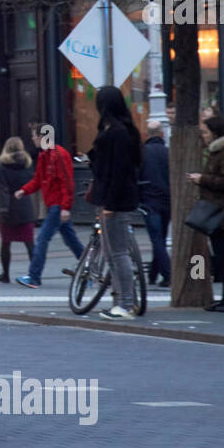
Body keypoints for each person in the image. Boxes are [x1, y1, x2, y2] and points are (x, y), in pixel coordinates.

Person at [87, 87, 142, 320]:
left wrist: (109, 203)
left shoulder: (117, 133)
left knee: (117, 253)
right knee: (114, 253)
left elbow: (117, 171)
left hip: (114, 201)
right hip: (115, 198)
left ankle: (126, 303)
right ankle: (123, 301)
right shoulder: (124, 131)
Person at [187, 114, 224, 312]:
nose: (203, 136)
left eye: (205, 132)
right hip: (217, 207)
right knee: (221, 255)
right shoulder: (218, 152)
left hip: (221, 209)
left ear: (215, 133)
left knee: (223, 255)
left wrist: (202, 179)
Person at [13, 125, 83, 288]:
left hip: (57, 205)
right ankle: (90, 271)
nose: (32, 139)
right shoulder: (46, 155)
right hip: (56, 204)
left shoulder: (57, 155)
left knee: (43, 239)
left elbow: (67, 182)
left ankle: (34, 277)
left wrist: (65, 207)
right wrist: (24, 190)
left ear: (41, 137)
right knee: (71, 239)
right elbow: (39, 180)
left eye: (34, 136)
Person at [0, 136, 36, 283]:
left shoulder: (3, 166)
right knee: (29, 243)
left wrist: (3, 208)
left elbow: (3, 190)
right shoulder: (27, 164)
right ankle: (35, 274)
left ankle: (5, 274)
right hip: (25, 206)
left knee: (6, 243)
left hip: (9, 208)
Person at [139, 119, 171, 288]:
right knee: (160, 238)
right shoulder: (169, 152)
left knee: (156, 238)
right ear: (162, 134)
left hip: (149, 201)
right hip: (167, 200)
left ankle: (167, 273)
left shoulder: (143, 152)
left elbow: (137, 175)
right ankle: (154, 273)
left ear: (147, 134)